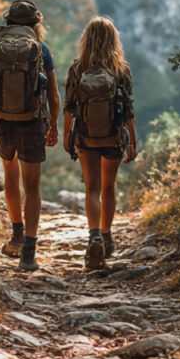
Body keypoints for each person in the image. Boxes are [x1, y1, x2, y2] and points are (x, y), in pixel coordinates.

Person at [0, 0, 59, 271]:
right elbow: (54, 95)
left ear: (8, 21)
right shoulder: (41, 49)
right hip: (32, 120)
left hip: (3, 120)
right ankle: (29, 252)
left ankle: (16, 234)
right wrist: (55, 125)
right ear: (36, 23)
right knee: (33, 186)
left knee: (10, 177)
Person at [63, 17, 137, 270]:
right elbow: (128, 109)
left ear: (87, 39)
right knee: (108, 188)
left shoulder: (77, 68)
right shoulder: (121, 69)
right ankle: (106, 236)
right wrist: (133, 141)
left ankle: (93, 235)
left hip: (85, 135)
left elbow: (69, 107)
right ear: (113, 40)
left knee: (91, 189)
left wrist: (66, 137)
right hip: (114, 136)